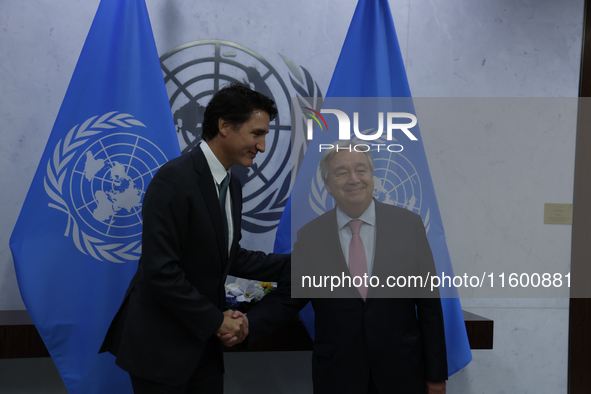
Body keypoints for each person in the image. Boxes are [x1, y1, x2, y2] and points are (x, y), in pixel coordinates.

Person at [100, 83, 289, 393]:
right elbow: (160, 271)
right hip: (161, 349)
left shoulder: (233, 184)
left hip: (203, 347)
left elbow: (229, 255)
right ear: (225, 126)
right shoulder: (175, 178)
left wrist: (304, 264)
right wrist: (217, 320)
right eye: (257, 134)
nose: (262, 146)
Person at [239, 141, 448, 394]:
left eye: (361, 170)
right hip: (338, 375)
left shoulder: (409, 226)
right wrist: (247, 324)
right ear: (327, 185)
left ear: (372, 176)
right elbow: (287, 297)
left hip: (402, 371)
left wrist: (436, 376)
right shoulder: (311, 237)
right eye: (341, 173)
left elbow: (430, 306)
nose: (353, 179)